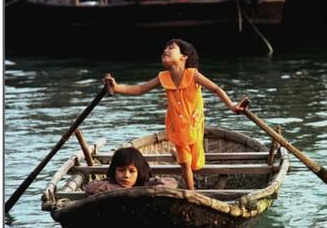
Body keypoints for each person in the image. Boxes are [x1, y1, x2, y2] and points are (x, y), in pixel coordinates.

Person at [104, 39, 249, 190]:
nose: (165, 50)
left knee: (196, 164)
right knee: (186, 164)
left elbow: (216, 89)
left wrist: (231, 105)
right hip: (177, 128)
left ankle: (177, 156)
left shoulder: (193, 75)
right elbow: (140, 89)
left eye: (171, 48)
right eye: (165, 48)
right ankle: (191, 192)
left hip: (194, 125)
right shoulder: (163, 77)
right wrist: (117, 87)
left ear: (183, 57)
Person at [85, 147, 177, 195]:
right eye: (121, 170)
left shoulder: (145, 184)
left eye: (132, 171)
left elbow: (172, 183)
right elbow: (90, 188)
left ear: (139, 172)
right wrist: (122, 190)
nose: (126, 175)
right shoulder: (108, 184)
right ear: (114, 171)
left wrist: (139, 191)